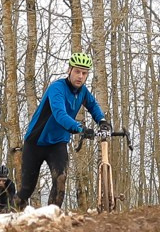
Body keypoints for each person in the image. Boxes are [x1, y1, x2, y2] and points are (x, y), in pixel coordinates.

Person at [18, 53, 111, 208]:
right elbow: (59, 114)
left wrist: (102, 121)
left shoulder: (82, 92)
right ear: (69, 70)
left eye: (84, 73)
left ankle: (52, 216)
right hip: (36, 142)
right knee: (27, 189)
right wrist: (80, 128)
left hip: (58, 143)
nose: (80, 76)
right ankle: (10, 214)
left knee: (60, 179)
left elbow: (93, 105)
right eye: (77, 71)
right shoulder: (57, 88)